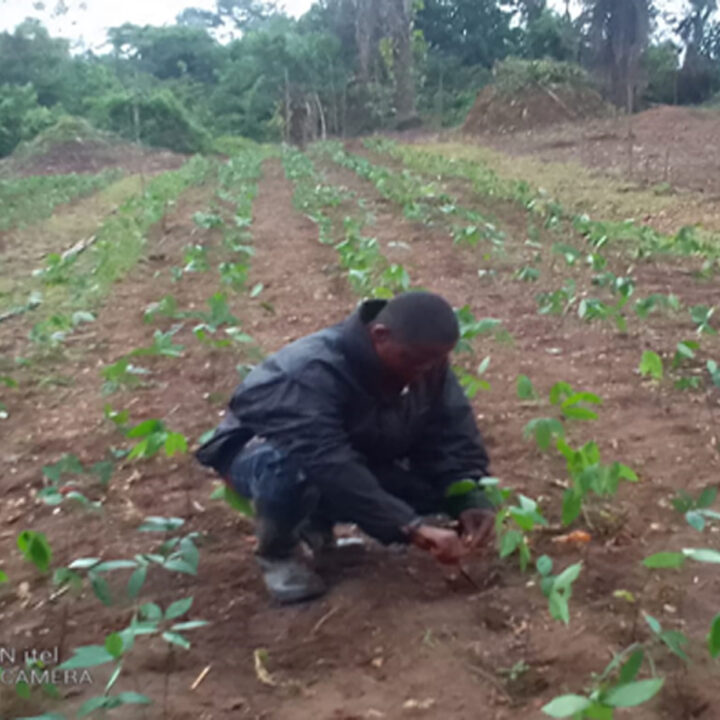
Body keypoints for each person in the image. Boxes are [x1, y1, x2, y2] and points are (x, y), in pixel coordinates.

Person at [196, 292, 495, 603]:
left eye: (436, 361)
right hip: (261, 456)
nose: (425, 370)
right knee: (290, 468)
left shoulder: (424, 363)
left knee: (432, 490)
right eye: (416, 360)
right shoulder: (308, 371)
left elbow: (453, 432)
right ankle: (279, 554)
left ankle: (316, 526)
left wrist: (467, 495)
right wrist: (410, 526)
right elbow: (325, 460)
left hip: (348, 451)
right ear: (380, 336)